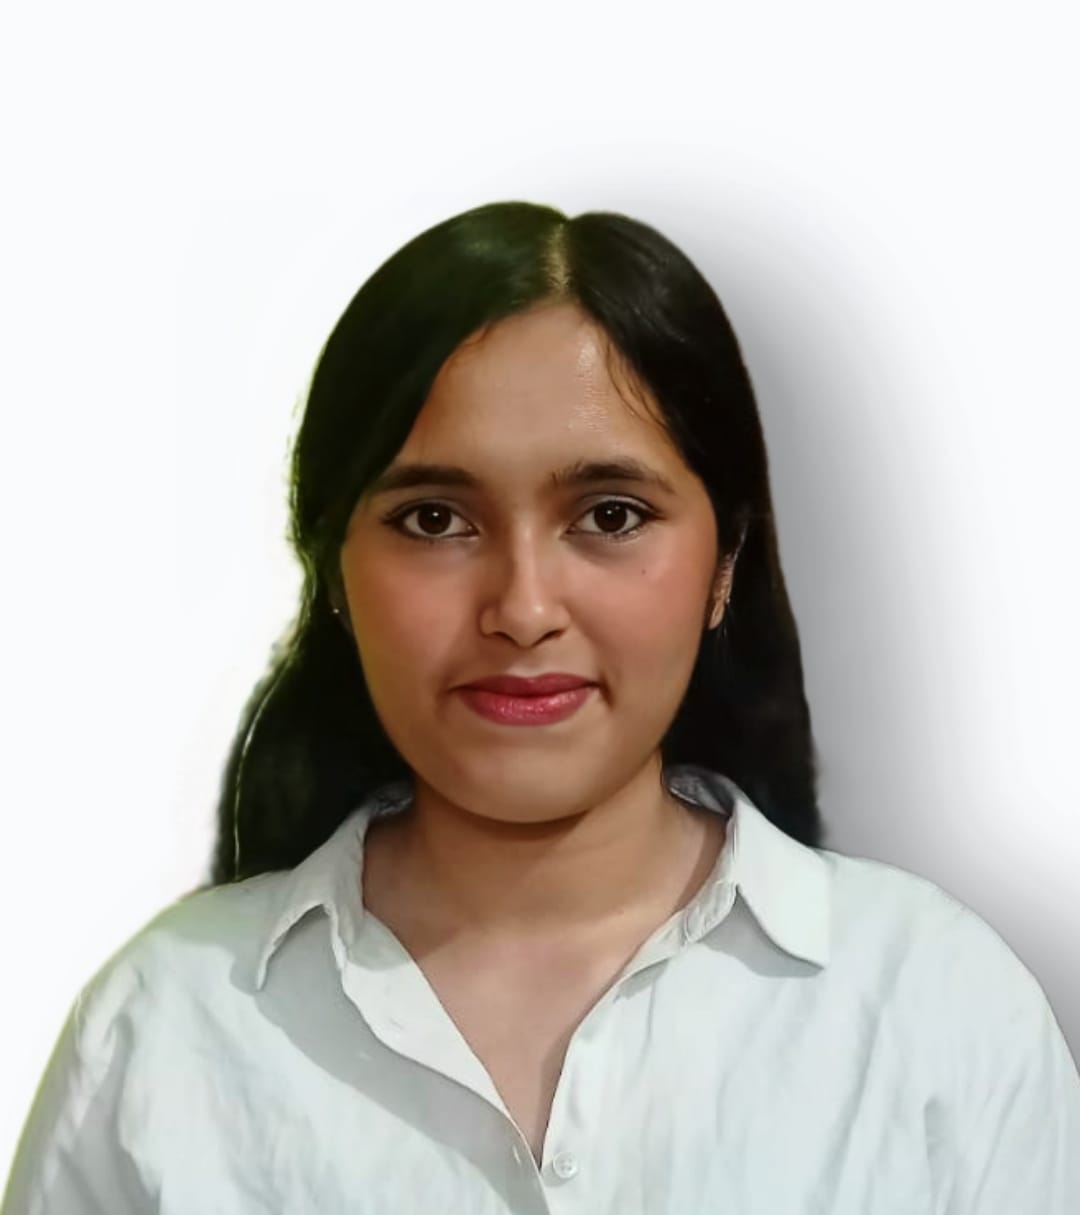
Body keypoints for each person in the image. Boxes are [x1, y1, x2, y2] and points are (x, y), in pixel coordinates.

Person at [4, 201, 1078, 1214]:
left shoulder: (936, 1009)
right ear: (332, 570)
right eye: (435, 520)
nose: (522, 609)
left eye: (609, 515)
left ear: (725, 564)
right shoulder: (163, 1029)